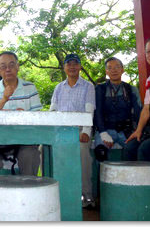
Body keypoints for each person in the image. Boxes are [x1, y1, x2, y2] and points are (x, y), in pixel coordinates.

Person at [0, 51, 42, 176]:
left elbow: (38, 116)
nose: (8, 69)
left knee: (30, 155)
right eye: (3, 66)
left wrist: (24, 116)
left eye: (11, 65)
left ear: (18, 67)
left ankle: (29, 192)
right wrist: (4, 99)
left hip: (25, 139)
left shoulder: (30, 88)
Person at [50, 53, 96, 208]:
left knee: (83, 152)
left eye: (75, 64)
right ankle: (51, 192)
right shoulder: (59, 87)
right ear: (64, 67)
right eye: (69, 64)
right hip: (60, 132)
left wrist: (86, 132)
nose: (72, 67)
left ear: (80, 67)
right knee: (42, 149)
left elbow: (89, 111)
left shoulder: (88, 87)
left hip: (79, 131)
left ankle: (87, 196)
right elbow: (53, 111)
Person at [93, 57, 142, 161]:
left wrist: (138, 130)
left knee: (135, 151)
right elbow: (97, 112)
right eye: (110, 68)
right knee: (100, 152)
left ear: (122, 69)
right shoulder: (100, 89)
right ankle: (102, 177)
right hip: (106, 129)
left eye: (117, 67)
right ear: (106, 72)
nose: (114, 70)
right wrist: (102, 132)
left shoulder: (130, 89)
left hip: (126, 131)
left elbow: (139, 111)